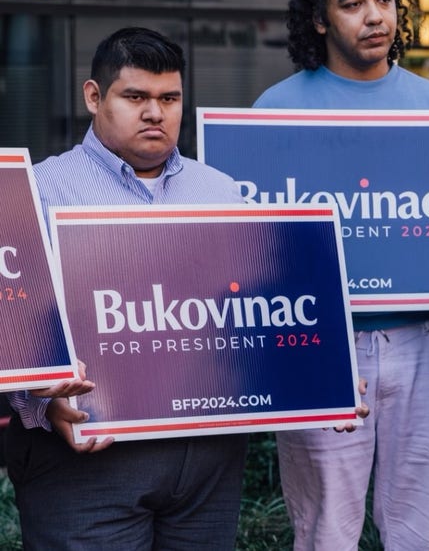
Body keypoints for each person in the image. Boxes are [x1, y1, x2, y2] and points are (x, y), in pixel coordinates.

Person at [253, 0, 429, 550]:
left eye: (385, 1)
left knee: (422, 532)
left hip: (427, 345)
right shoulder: (276, 110)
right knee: (324, 534)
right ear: (320, 18)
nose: (375, 16)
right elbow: (251, 244)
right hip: (321, 346)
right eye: (353, 3)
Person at [3, 27, 250, 548]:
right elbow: (11, 323)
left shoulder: (222, 192)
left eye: (169, 98)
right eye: (135, 97)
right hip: (86, 459)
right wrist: (41, 404)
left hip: (207, 461)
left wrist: (324, 377)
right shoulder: (38, 191)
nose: (155, 113)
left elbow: (257, 305)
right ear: (94, 97)